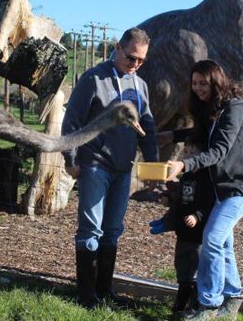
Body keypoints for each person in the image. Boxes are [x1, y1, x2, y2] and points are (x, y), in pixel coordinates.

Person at [62, 27, 158, 308]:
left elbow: (148, 127)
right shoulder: (93, 79)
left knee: (113, 229)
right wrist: (70, 160)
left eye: (141, 61)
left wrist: (152, 164)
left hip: (123, 168)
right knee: (90, 230)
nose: (135, 65)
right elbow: (72, 122)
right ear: (117, 48)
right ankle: (86, 296)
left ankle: (104, 291)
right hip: (94, 165)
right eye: (131, 58)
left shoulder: (140, 86)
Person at [164, 60, 243, 320]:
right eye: (194, 83)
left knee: (213, 239)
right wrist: (170, 136)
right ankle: (233, 298)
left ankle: (209, 305)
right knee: (224, 243)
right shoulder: (214, 108)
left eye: (203, 83)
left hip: (240, 186)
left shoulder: (234, 107)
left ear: (216, 81)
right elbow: (200, 133)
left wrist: (184, 164)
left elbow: (218, 151)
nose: (197, 88)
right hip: (222, 187)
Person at [149, 137, 215, 314]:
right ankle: (181, 298)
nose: (187, 156)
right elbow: (180, 199)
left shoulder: (206, 178)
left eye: (193, 153)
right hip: (183, 234)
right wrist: (168, 197)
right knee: (182, 268)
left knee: (196, 268)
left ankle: (194, 303)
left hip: (197, 235)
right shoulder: (186, 176)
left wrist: (197, 216)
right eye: (185, 152)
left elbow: (208, 203)